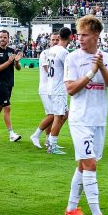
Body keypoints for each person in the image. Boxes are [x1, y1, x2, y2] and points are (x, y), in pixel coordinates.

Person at [63, 15, 108, 215]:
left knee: (82, 164)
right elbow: (70, 90)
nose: (80, 38)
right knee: (90, 164)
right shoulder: (73, 58)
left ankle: (71, 208)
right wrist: (91, 72)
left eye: (85, 35)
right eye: (79, 34)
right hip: (80, 120)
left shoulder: (107, 57)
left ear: (96, 35)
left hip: (98, 120)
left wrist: (101, 67)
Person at [45, 27, 72, 155]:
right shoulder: (64, 52)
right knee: (58, 117)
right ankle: (52, 145)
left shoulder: (52, 50)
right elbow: (69, 71)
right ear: (70, 37)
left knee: (64, 115)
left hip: (50, 87)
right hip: (58, 88)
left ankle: (51, 141)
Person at [29, 33, 58, 149]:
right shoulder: (45, 53)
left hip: (54, 88)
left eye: (57, 39)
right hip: (46, 87)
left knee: (52, 114)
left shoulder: (59, 53)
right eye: (53, 40)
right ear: (49, 41)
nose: (55, 41)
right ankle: (35, 135)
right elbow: (48, 69)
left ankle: (48, 140)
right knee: (53, 114)